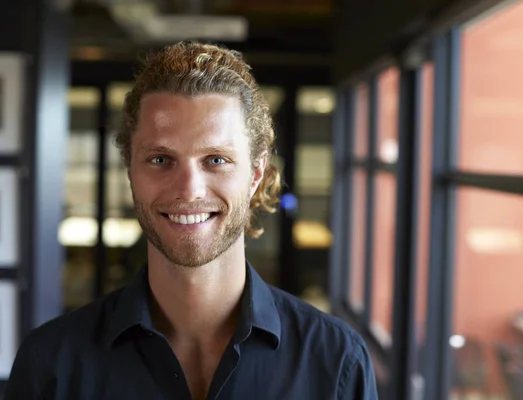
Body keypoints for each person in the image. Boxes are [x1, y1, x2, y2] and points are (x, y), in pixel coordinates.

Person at [4, 41, 378, 400]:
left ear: (255, 175)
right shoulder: (51, 365)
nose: (188, 189)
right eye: (161, 159)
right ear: (130, 170)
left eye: (215, 159)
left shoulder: (336, 362)